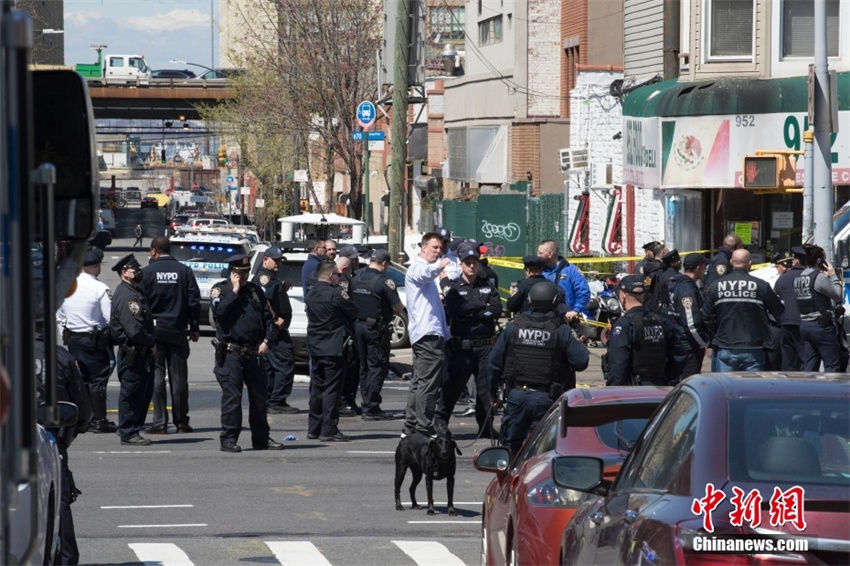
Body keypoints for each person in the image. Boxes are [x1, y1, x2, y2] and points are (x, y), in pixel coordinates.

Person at [488, 281, 589, 455]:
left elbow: (493, 364)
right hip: (546, 399)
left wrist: (492, 395)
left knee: (510, 451)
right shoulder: (560, 330)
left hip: (516, 397)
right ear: (556, 302)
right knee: (545, 452)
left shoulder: (514, 327)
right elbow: (581, 361)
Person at [210, 254, 284, 452]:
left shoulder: (255, 291)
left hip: (254, 351)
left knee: (259, 399)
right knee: (232, 399)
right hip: (231, 352)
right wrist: (234, 291)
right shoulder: (221, 290)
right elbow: (219, 312)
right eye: (238, 273)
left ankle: (261, 439)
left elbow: (268, 319)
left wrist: (267, 340)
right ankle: (228, 439)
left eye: (244, 273)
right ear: (231, 272)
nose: (242, 277)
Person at [436, 242, 502, 437]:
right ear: (461, 265)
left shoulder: (488, 285)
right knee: (452, 387)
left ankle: (485, 427)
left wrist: (475, 310)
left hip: (484, 346)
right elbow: (458, 309)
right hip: (461, 346)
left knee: (485, 388)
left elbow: (496, 309)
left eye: (474, 262)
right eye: (467, 263)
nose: (471, 266)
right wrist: (482, 306)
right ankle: (440, 423)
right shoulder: (454, 286)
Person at [141, 235, 201, 434]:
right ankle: (181, 421)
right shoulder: (184, 271)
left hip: (155, 331)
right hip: (177, 330)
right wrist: (194, 327)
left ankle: (159, 423)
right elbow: (194, 301)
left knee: (157, 378)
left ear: (153, 251)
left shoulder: (147, 273)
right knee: (179, 379)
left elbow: (140, 303)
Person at [56, 247, 116, 433]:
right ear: (97, 266)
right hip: (94, 339)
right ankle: (99, 420)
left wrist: (65, 333)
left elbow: (59, 314)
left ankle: (85, 418)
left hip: (73, 338)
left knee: (80, 379)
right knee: (98, 379)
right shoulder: (100, 288)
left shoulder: (68, 286)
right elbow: (109, 317)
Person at [701, 249, 784, 372]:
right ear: (749, 263)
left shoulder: (715, 286)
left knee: (725, 388)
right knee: (751, 389)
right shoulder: (762, 286)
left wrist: (716, 334)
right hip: (753, 347)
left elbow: (706, 316)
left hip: (725, 346)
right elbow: (779, 311)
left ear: (731, 262)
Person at [403, 232, 452, 437]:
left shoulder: (426, 272)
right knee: (428, 383)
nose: (438, 252)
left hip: (429, 334)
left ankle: (412, 425)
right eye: (434, 248)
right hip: (427, 335)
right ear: (423, 248)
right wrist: (440, 266)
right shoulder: (418, 267)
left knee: (420, 381)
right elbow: (423, 274)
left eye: (441, 249)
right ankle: (422, 426)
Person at [304, 260, 359, 441]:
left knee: (316, 387)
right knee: (332, 389)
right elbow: (353, 310)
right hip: (333, 347)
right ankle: (329, 428)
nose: (338, 277)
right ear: (330, 276)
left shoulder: (311, 293)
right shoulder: (336, 294)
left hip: (315, 346)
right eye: (336, 274)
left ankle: (314, 428)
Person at [350, 249, 403, 420]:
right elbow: (397, 308)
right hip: (376, 329)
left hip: (358, 325)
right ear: (385, 263)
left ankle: (367, 402)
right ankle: (371, 406)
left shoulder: (356, 277)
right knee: (377, 366)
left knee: (364, 366)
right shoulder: (384, 281)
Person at [604, 275, 686, 386]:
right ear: (643, 296)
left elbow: (618, 364)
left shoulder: (625, 325)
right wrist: (667, 379)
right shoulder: (662, 321)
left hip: (634, 390)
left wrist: (612, 392)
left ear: (623, 296)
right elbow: (679, 354)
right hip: (660, 387)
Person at [109, 254, 156, 446]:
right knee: (132, 392)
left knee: (141, 392)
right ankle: (128, 431)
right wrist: (152, 342)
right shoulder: (127, 295)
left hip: (140, 351)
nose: (138, 272)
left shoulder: (134, 291)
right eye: (134, 270)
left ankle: (133, 428)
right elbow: (134, 330)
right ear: (124, 273)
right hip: (134, 352)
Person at [252, 246, 298, 414]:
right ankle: (277, 400)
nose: (278, 263)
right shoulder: (265, 277)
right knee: (285, 362)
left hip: (273, 328)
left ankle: (270, 398)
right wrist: (275, 318)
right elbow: (264, 299)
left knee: (271, 366)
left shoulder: (271, 276)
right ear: (266, 259)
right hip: (275, 328)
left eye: (279, 260)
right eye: (275, 260)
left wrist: (282, 288)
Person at [794, 245, 846, 372]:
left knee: (809, 365)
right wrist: (833, 276)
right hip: (821, 327)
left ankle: (809, 391)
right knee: (832, 365)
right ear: (819, 261)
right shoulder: (819, 277)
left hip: (805, 326)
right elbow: (838, 295)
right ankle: (830, 391)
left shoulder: (799, 277)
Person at [664, 253, 710, 381]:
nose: (705, 270)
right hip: (687, 348)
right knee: (687, 386)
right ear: (698, 268)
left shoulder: (672, 283)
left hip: (673, 343)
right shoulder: (686, 289)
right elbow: (691, 324)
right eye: (704, 266)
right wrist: (704, 343)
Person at [537, 239, 590, 321]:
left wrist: (575, 311)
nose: (538, 256)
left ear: (550, 254)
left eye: (540, 253)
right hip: (543, 319)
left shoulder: (570, 270)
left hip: (565, 318)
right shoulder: (539, 271)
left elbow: (583, 292)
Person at [335, 254, 361, 416]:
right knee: (347, 369)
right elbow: (348, 306)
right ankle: (343, 401)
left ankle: (345, 400)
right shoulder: (343, 281)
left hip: (337, 332)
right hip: (344, 331)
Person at [772, 250, 803, 371]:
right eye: (785, 266)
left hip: (788, 324)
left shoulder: (781, 280)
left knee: (789, 361)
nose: (786, 269)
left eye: (788, 265)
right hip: (801, 323)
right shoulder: (803, 274)